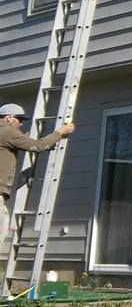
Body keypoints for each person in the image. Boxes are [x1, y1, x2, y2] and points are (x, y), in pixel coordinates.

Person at [0, 103, 75, 246]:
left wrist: (23, 139)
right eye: (19, 119)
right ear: (9, 118)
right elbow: (38, 146)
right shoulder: (7, 131)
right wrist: (60, 132)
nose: (21, 124)